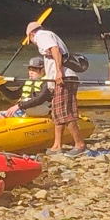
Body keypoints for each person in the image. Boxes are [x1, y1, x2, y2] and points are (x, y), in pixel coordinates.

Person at [26, 19, 85, 153]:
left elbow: (55, 49)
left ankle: (80, 144)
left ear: (31, 35)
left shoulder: (41, 35)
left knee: (65, 112)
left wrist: (58, 72)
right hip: (60, 78)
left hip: (64, 77)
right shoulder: (47, 35)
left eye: (31, 41)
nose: (33, 43)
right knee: (57, 112)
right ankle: (57, 145)